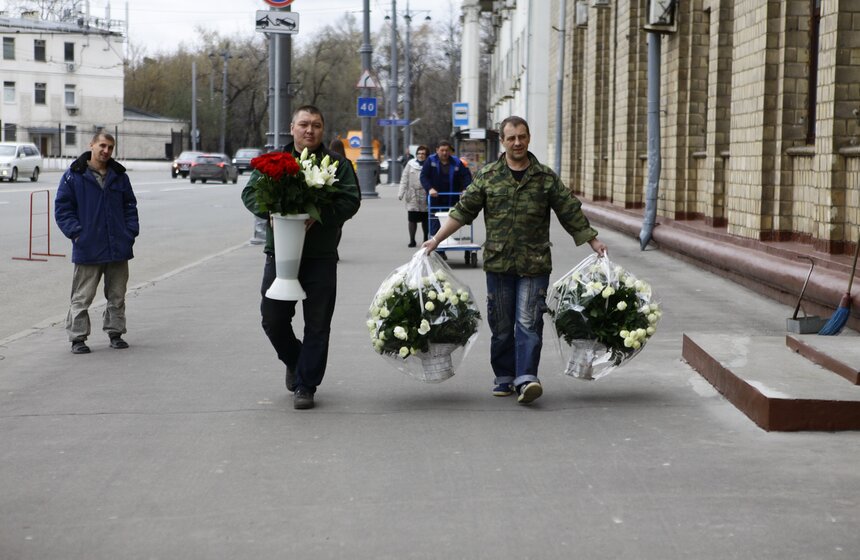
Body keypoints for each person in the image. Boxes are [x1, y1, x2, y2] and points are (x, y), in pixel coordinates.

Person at [422, 116, 607, 405]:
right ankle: (504, 376)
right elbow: (463, 211)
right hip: (498, 263)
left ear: (529, 138)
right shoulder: (488, 176)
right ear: (503, 141)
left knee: (529, 322)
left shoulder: (545, 178)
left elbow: (569, 210)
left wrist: (593, 241)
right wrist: (435, 240)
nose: (517, 143)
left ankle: (527, 378)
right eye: (512, 138)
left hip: (535, 264)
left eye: (522, 137)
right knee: (502, 324)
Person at [242, 105, 361, 410]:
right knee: (273, 318)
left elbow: (350, 200)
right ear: (292, 128)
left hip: (320, 256)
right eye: (304, 124)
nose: (310, 130)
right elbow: (250, 194)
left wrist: (317, 215)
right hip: (280, 254)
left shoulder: (336, 164)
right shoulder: (273, 163)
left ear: (323, 130)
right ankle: (296, 360)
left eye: (317, 125)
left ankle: (305, 385)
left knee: (318, 324)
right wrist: (271, 210)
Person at [54, 132, 139, 354]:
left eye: (110, 147)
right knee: (82, 296)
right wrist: (77, 234)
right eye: (102, 145)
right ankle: (78, 338)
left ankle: (115, 332)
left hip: (118, 246)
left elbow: (130, 206)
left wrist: (129, 232)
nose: (106, 151)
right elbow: (63, 209)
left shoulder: (119, 176)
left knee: (117, 294)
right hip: (88, 246)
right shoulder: (74, 176)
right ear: (91, 144)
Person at [420, 139, 472, 241]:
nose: (444, 153)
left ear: (450, 151)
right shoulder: (431, 161)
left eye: (447, 150)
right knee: (435, 224)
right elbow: (423, 177)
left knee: (448, 225)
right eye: (442, 150)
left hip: (451, 198)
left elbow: (466, 176)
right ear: (437, 150)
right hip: (435, 198)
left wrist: (466, 189)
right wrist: (430, 189)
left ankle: (445, 244)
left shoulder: (457, 162)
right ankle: (439, 250)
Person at [397, 144, 429, 247]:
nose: (421, 155)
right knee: (412, 218)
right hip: (412, 195)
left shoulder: (430, 165)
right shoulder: (410, 164)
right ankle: (412, 240)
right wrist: (401, 192)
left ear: (426, 155)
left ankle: (426, 238)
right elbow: (404, 178)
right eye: (419, 153)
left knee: (425, 218)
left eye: (423, 154)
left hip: (425, 195)